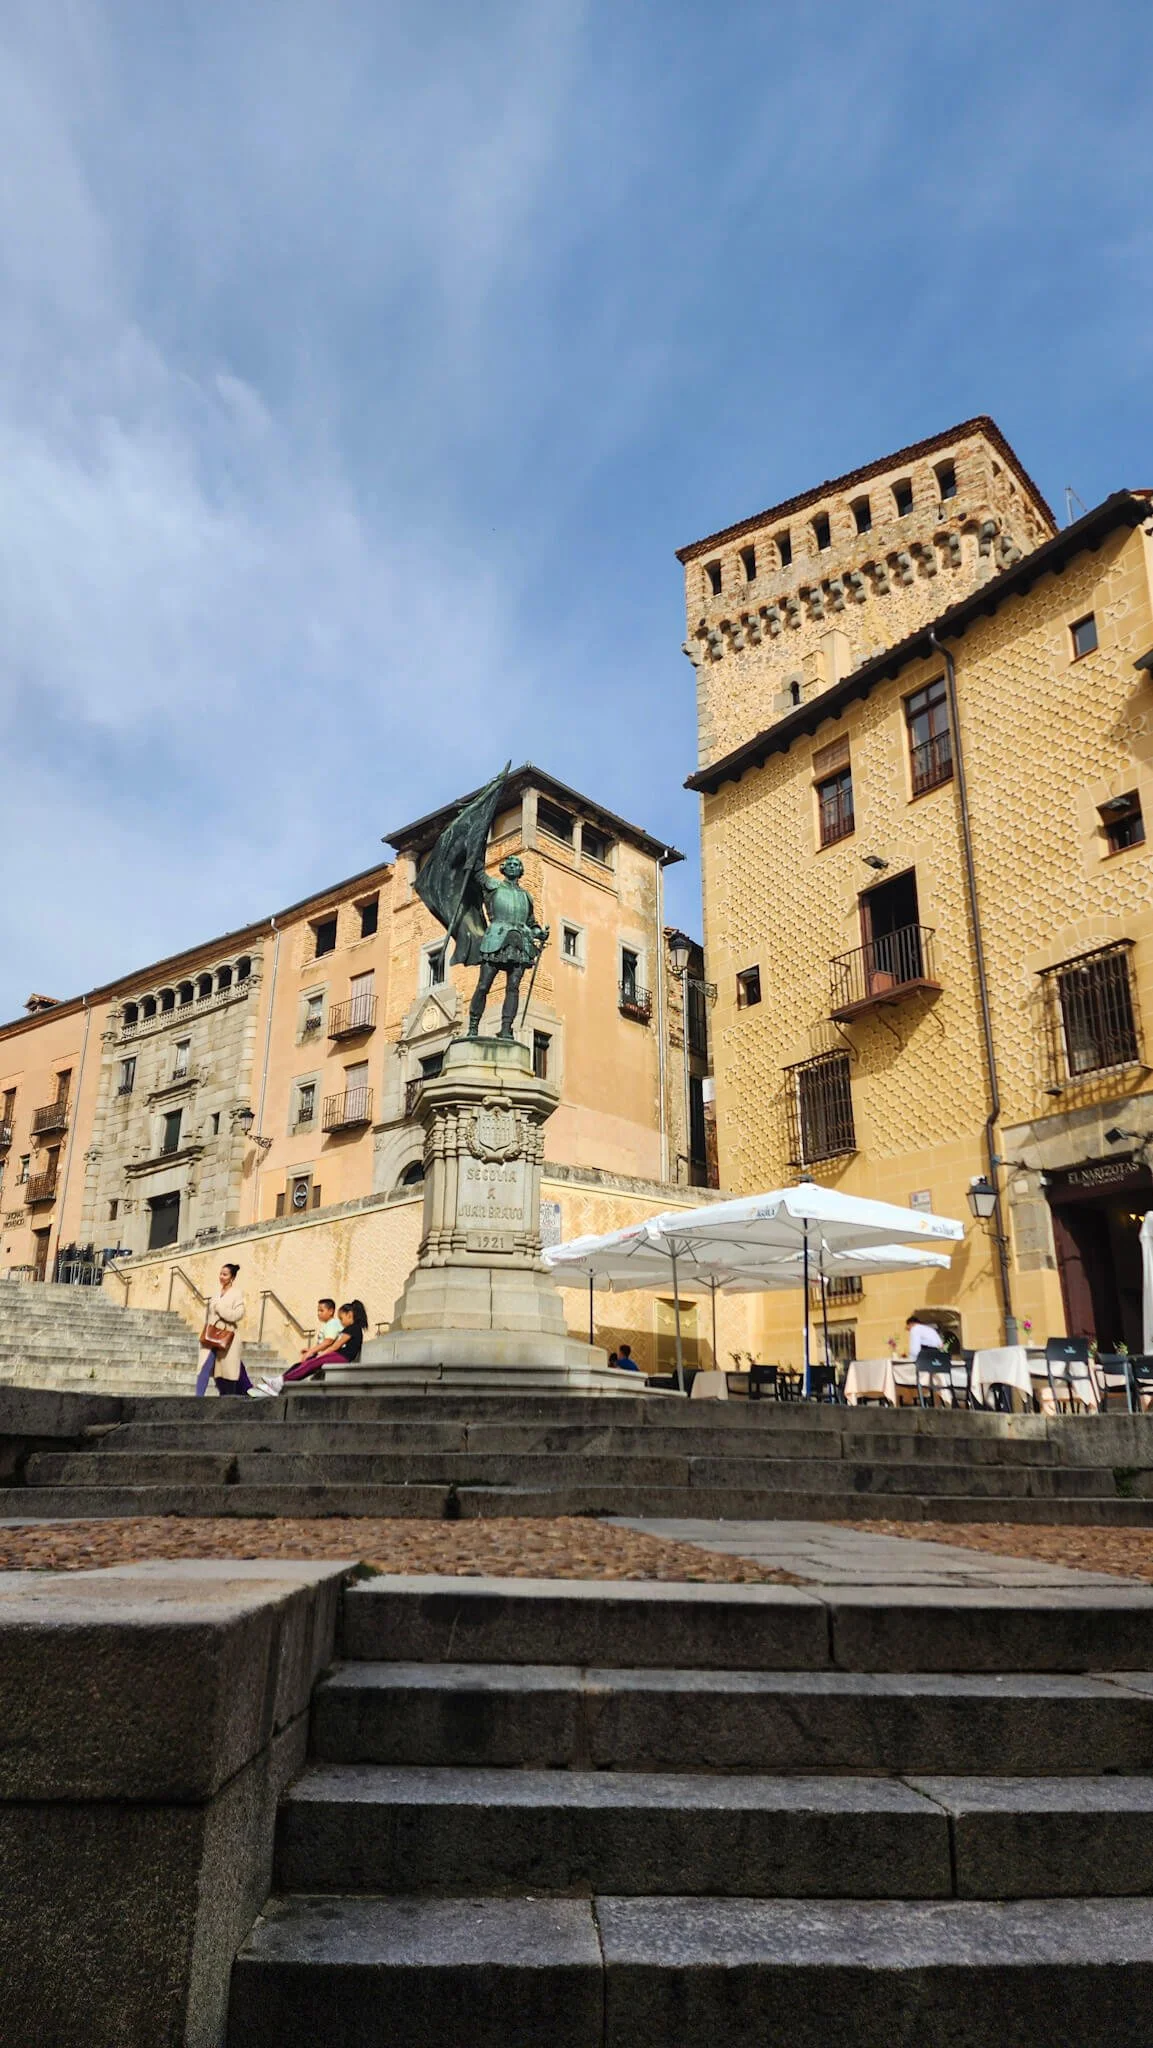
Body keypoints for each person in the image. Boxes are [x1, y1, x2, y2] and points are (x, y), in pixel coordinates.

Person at [254, 1300, 368, 1397]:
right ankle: (279, 1383)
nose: (341, 1323)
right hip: (341, 1356)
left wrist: (322, 1355)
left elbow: (336, 1345)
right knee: (309, 1366)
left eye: (341, 1319)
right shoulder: (354, 1329)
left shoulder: (352, 1328)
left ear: (350, 1315)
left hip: (341, 1357)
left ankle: (280, 1382)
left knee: (310, 1363)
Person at [196, 1264, 250, 1397]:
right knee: (204, 1366)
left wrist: (220, 1308)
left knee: (227, 1371)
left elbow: (238, 1315)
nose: (221, 1277)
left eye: (225, 1274)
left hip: (228, 1336)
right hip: (211, 1334)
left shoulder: (237, 1293)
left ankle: (228, 1399)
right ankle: (197, 1399)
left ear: (232, 1277)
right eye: (220, 1273)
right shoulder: (216, 1294)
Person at [297, 1298, 343, 1367]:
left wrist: (311, 1351)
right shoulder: (329, 1324)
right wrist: (311, 1350)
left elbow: (328, 1341)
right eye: (318, 1311)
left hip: (328, 1357)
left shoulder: (332, 1324)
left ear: (331, 1311)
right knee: (298, 1367)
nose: (318, 1313)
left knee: (299, 1367)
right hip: (323, 1356)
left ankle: (283, 1377)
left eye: (321, 1311)